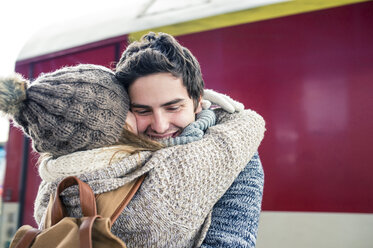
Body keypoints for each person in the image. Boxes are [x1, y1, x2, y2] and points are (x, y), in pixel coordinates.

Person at [0, 64, 265, 247]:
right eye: (135, 109)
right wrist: (207, 108)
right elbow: (245, 129)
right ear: (116, 124)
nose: (160, 127)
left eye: (172, 107)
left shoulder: (50, 192)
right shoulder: (160, 182)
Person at [115, 32, 265, 247]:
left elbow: (230, 242)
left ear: (197, 102)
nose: (160, 125)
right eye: (142, 111)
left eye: (173, 108)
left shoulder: (238, 151)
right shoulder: (109, 153)